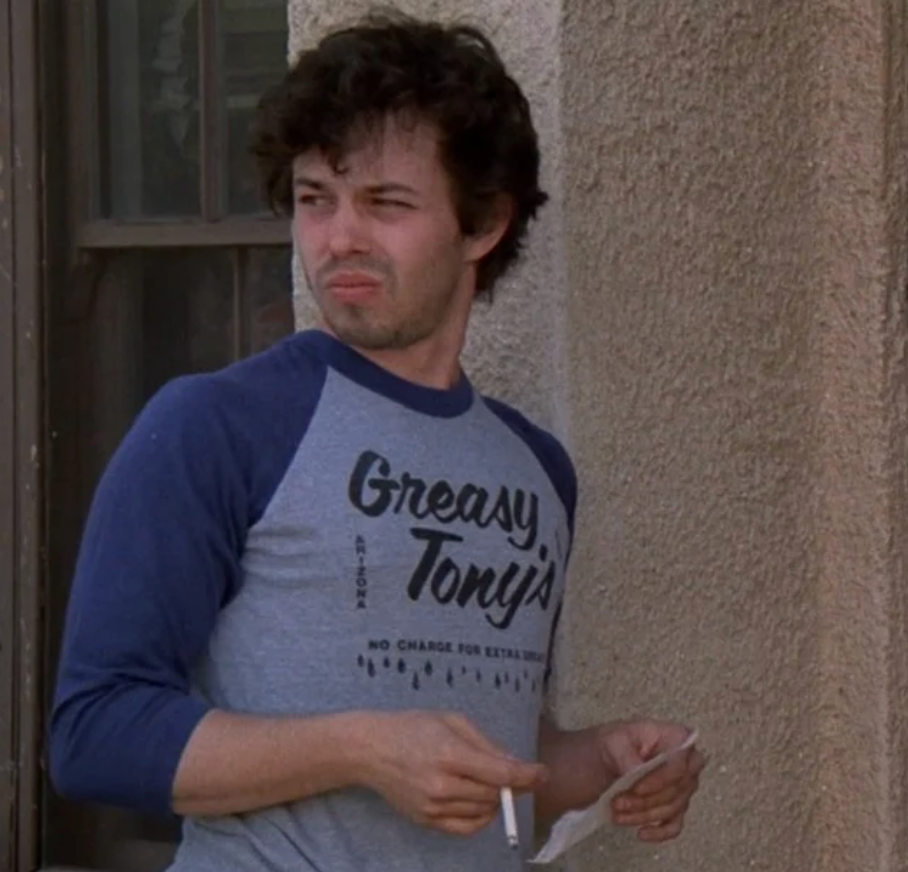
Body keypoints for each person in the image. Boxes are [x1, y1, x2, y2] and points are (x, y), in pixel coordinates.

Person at [50, 11, 705, 871]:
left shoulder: (538, 472)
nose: (340, 237)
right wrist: (360, 750)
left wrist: (599, 763)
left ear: (483, 225)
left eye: (385, 203)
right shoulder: (215, 427)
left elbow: (484, 755)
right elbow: (94, 730)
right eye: (317, 199)